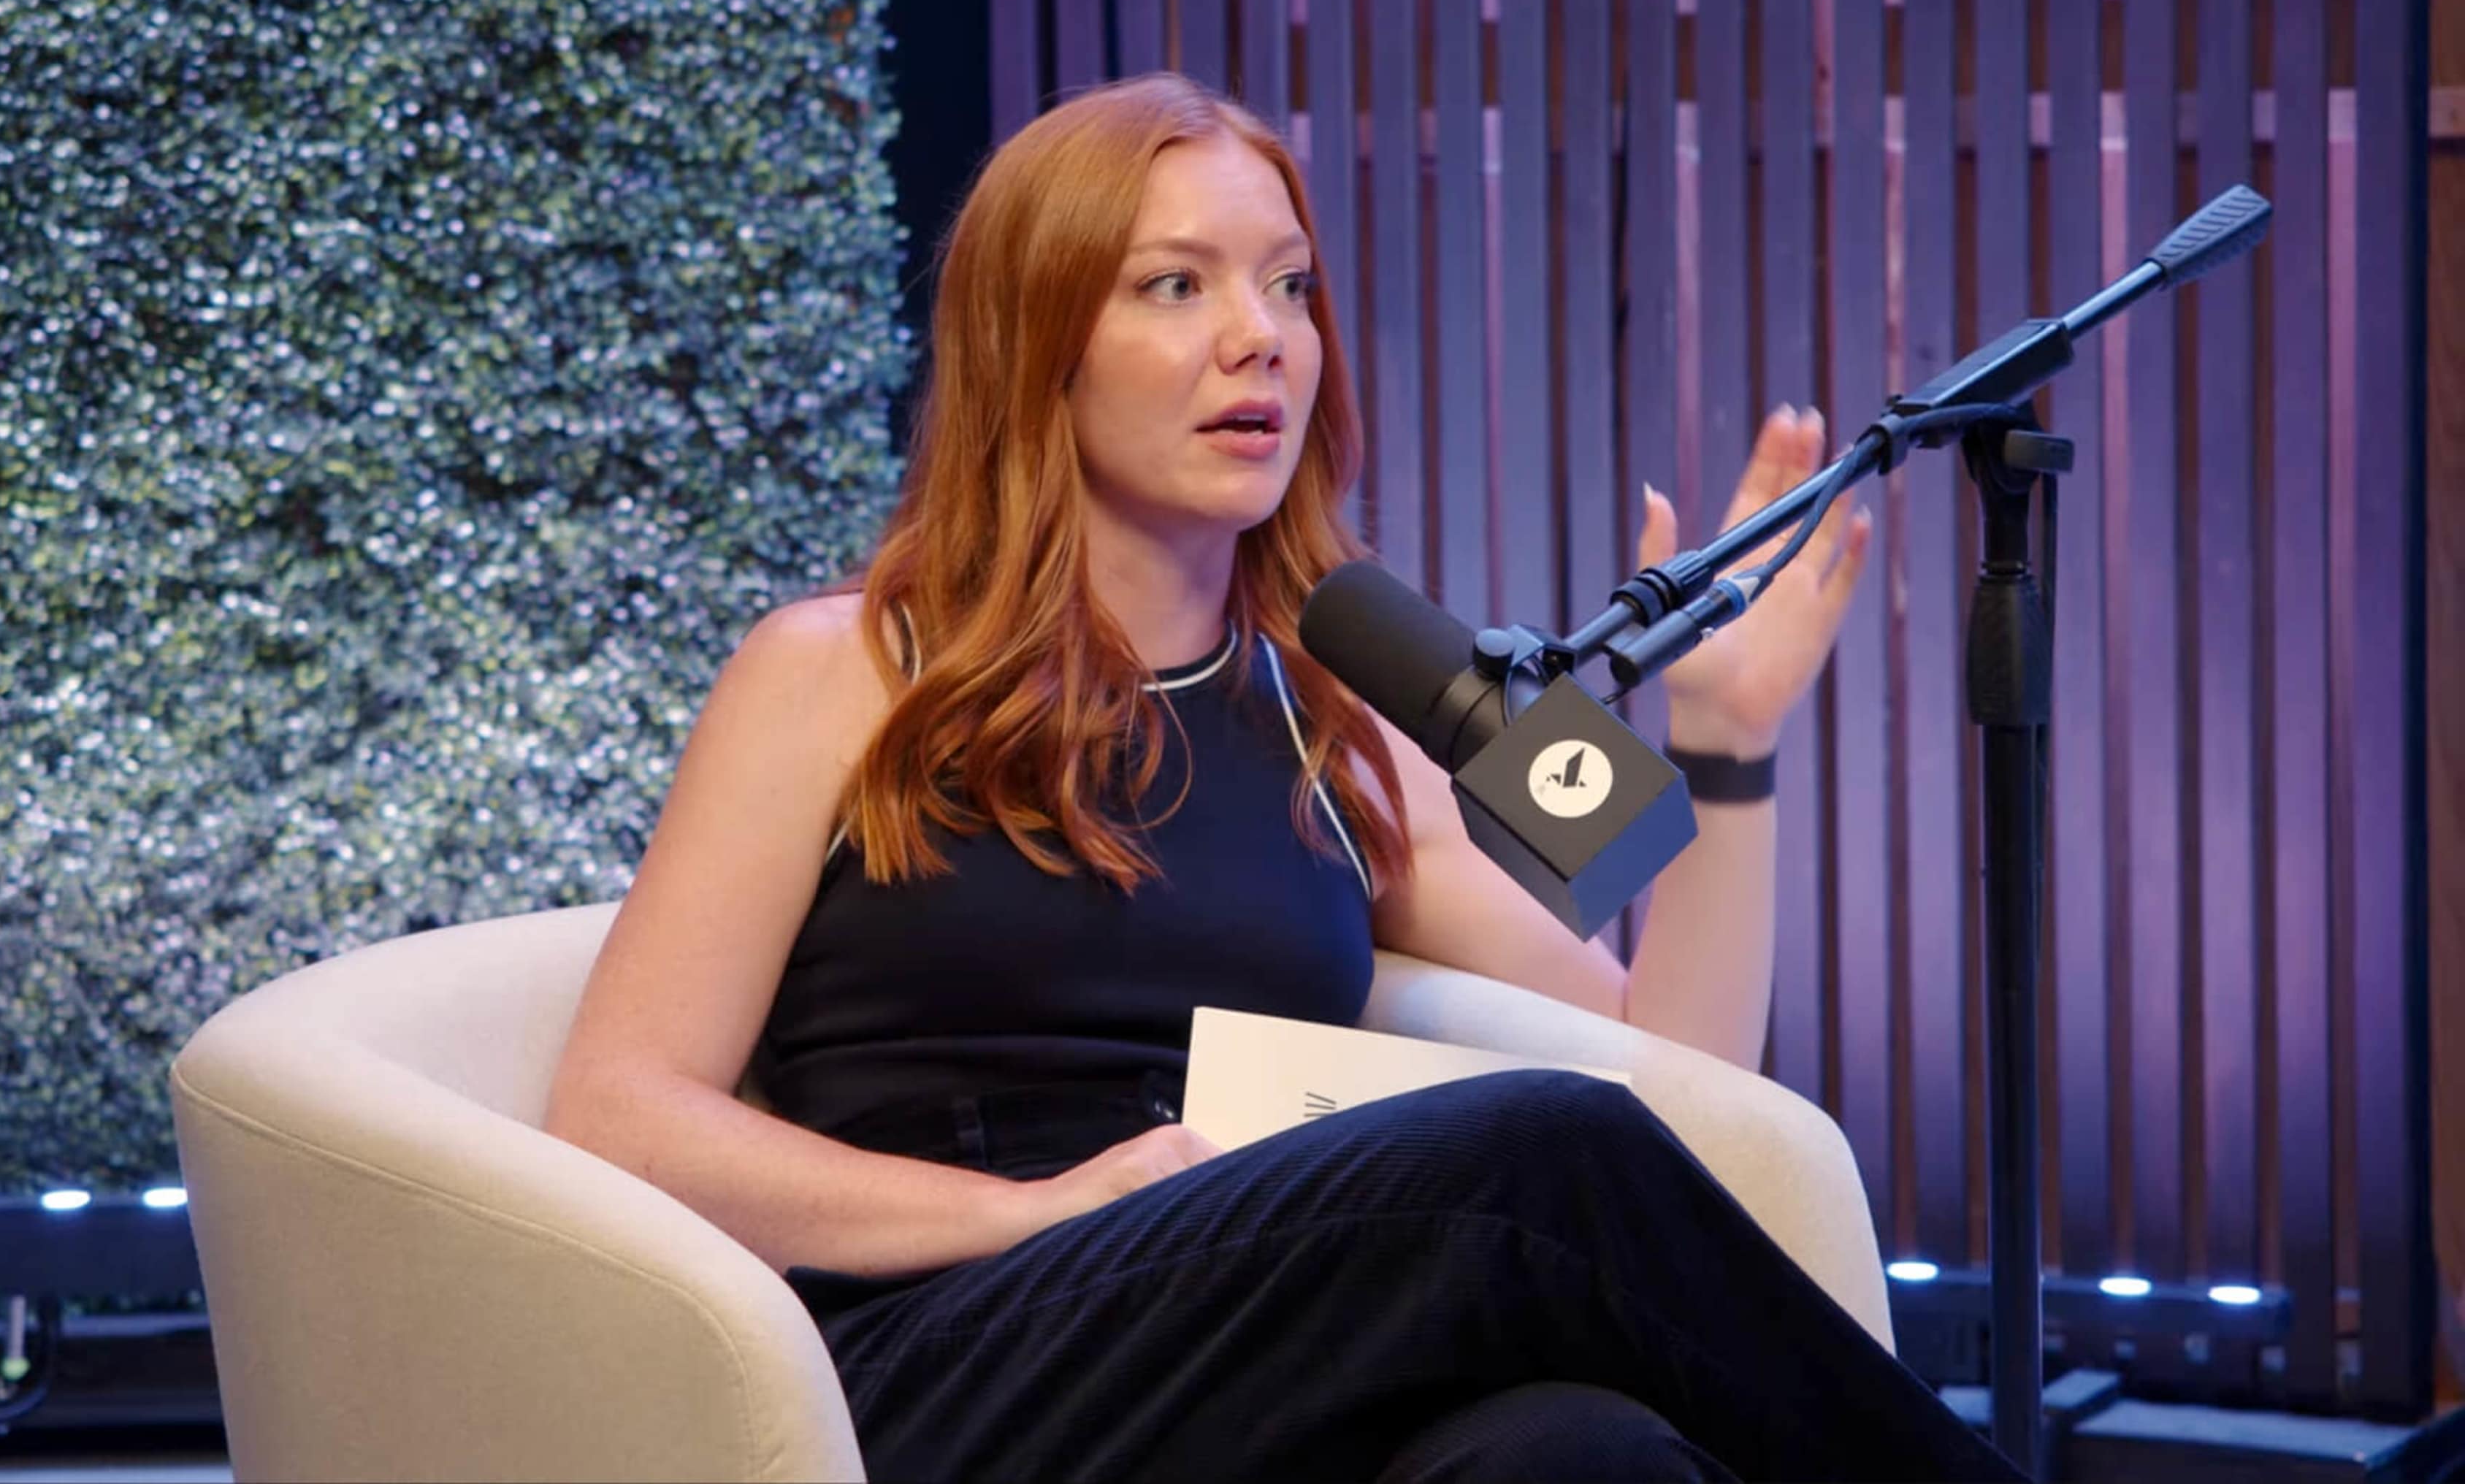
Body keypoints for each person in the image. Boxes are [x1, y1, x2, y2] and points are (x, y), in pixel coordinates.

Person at [543, 72, 2022, 1483]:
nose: (1261, 338)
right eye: (1176, 286)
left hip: (1268, 1351)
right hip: (955, 1357)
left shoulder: (1367, 676)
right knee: (1533, 1154)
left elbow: (1672, 1061)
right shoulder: (837, 669)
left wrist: (1720, 743)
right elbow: (621, 1111)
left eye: (1291, 285)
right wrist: (1028, 1212)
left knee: (1579, 1449)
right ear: (1036, 342)